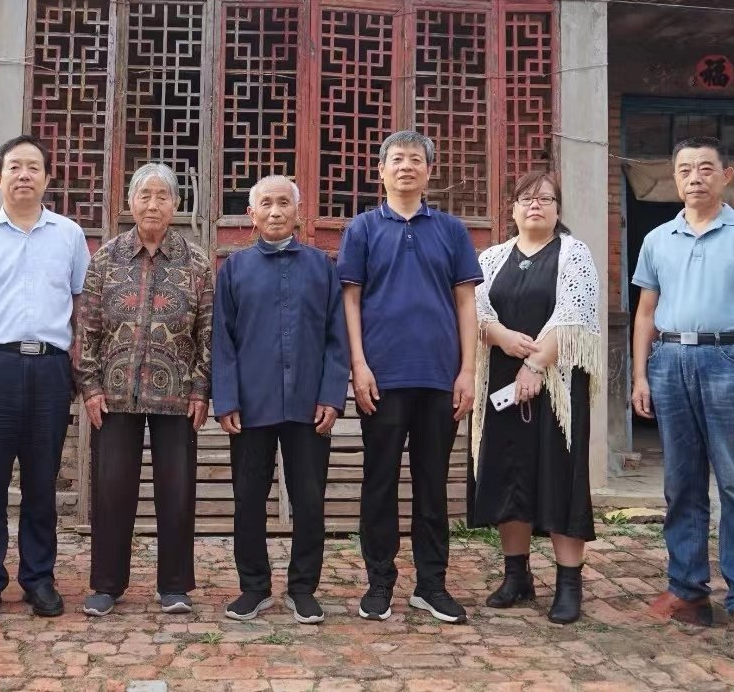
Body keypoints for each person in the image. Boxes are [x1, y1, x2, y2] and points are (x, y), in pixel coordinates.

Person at [631, 136, 734, 634]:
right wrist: (640, 374)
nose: (694, 177)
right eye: (684, 170)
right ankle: (687, 589)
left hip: (732, 360)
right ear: (674, 178)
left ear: (726, 175)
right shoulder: (658, 239)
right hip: (669, 360)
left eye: (704, 168)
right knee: (681, 483)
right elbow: (646, 313)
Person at [336, 130, 481, 624]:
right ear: (381, 171)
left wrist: (468, 370)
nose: (406, 167)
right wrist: (358, 364)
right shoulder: (362, 229)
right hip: (382, 377)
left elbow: (466, 301)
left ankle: (431, 585)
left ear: (428, 171)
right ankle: (379, 582)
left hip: (440, 377)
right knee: (379, 482)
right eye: (396, 159)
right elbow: (350, 299)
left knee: (432, 484)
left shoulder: (451, 230)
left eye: (416, 159)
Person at [0, 134, 90, 621]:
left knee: (41, 480)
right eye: (14, 167)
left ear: (47, 178)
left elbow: (81, 305)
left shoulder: (69, 235)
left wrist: (79, 365)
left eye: (33, 167)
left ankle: (38, 578)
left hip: (51, 369)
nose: (24, 175)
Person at [74, 162, 214, 617]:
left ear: (176, 204)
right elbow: (88, 328)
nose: (153, 204)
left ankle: (174, 585)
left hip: (178, 397)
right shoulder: (106, 258)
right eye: (144, 195)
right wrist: (90, 386)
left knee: (177, 491)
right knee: (111, 490)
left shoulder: (195, 262)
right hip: (114, 396)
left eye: (162, 196)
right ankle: (106, 584)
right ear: (130, 203)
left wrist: (201, 388)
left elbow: (208, 331)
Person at [212, 175, 349, 625]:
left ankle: (303, 588)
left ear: (298, 211)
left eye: (284, 203)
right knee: (248, 499)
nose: (275, 211)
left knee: (310, 499)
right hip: (251, 405)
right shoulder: (234, 269)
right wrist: (226, 399)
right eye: (266, 204)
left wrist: (332, 395)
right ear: (251, 215)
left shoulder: (321, 267)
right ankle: (253, 587)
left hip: (309, 404)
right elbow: (222, 340)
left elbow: (337, 337)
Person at [468, 171, 602, 625]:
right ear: (512, 209)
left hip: (557, 385)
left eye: (545, 199)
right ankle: (516, 576)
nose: (535, 206)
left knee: (560, 476)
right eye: (526, 198)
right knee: (509, 473)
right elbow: (477, 312)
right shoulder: (492, 258)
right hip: (502, 382)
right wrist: (501, 336)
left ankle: (568, 585)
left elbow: (574, 317)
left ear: (558, 209)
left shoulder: (573, 253)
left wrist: (536, 365)